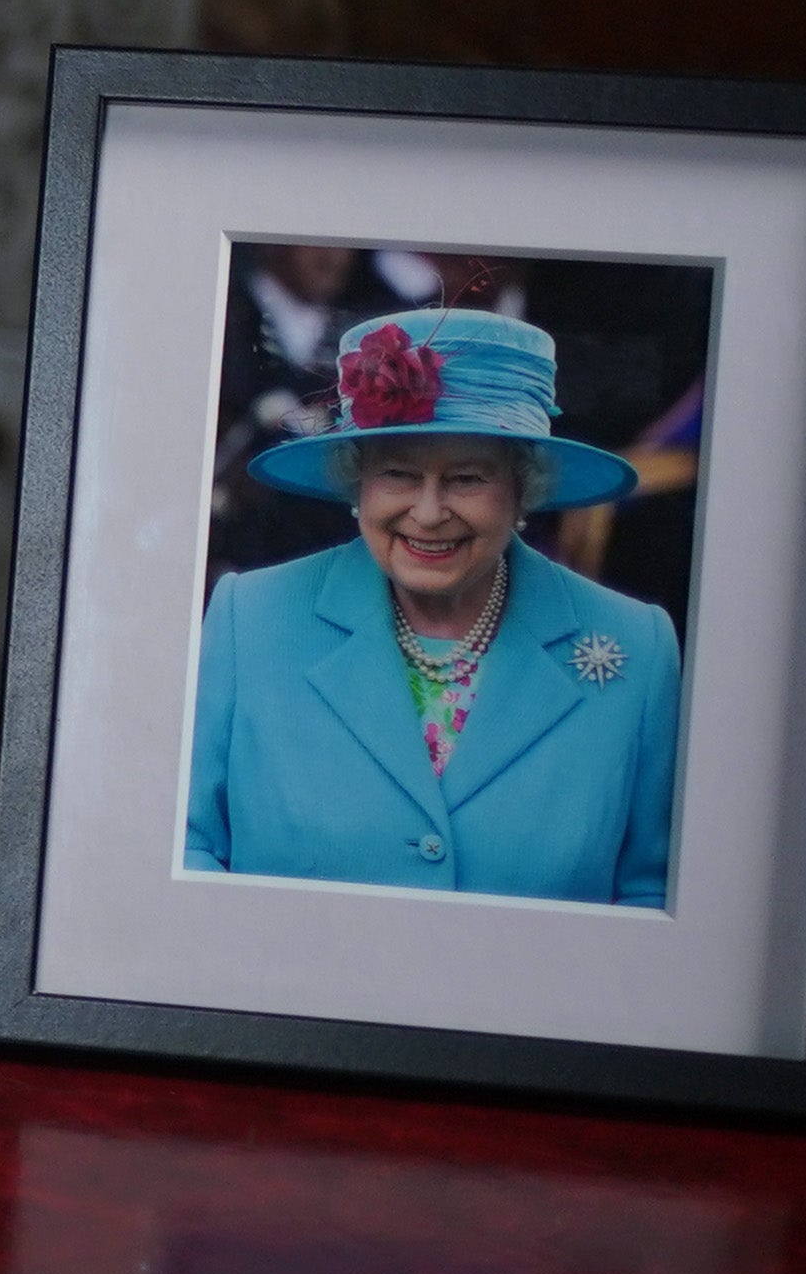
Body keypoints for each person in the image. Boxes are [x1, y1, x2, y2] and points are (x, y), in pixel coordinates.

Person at [179, 307, 683, 910]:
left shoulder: (638, 646)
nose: (427, 512)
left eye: (467, 479)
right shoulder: (250, 620)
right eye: (398, 473)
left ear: (524, 487)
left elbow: (653, 895)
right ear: (356, 480)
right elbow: (186, 846)